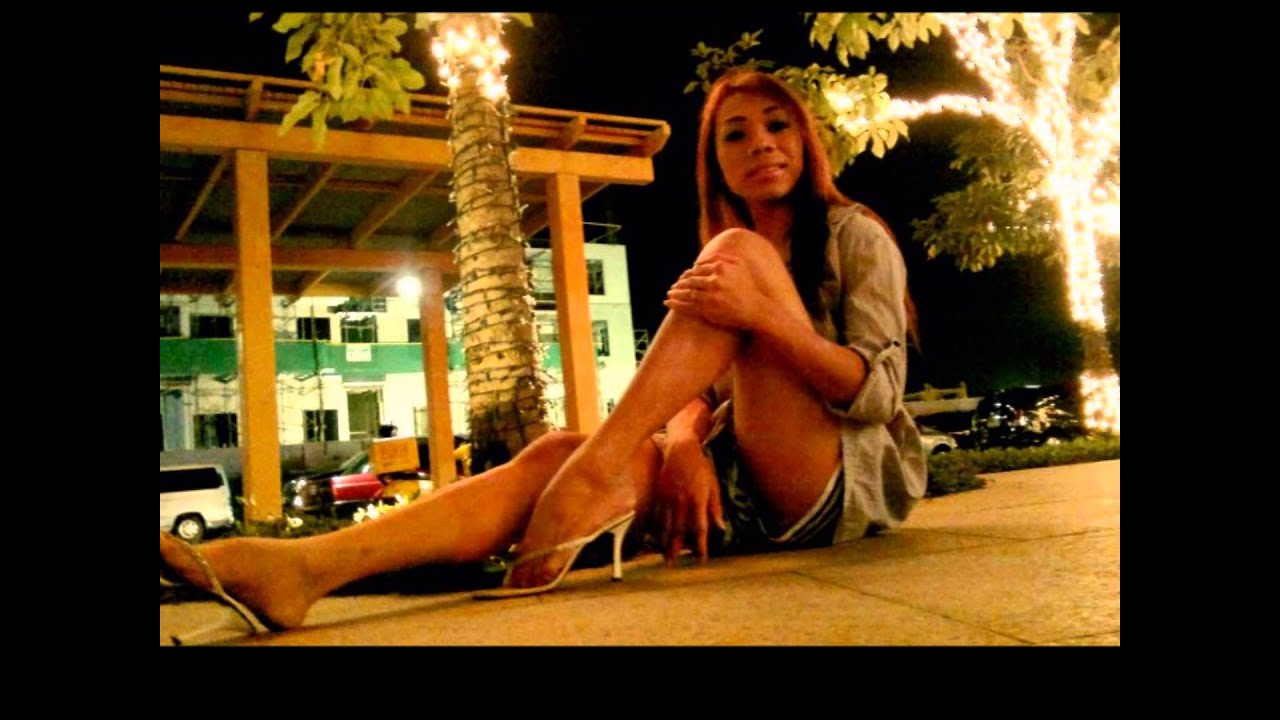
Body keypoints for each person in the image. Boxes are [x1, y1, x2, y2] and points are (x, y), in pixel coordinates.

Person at [159, 68, 927, 640]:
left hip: (834, 482)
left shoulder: (852, 234)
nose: (760, 142)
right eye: (735, 133)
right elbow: (705, 393)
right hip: (738, 484)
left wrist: (767, 318)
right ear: (716, 163)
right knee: (556, 451)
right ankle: (307, 569)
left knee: (732, 263)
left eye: (777, 125)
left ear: (805, 142)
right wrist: (686, 442)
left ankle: (591, 476)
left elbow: (879, 394)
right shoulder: (734, 254)